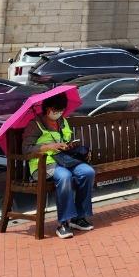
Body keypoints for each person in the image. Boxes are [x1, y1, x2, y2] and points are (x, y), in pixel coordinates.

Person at [22, 92, 95, 239]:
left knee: (88, 172)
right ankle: (63, 223)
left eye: (61, 110)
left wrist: (68, 146)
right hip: (43, 165)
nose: (58, 113)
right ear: (47, 108)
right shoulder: (34, 125)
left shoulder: (63, 121)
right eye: (55, 110)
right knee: (65, 177)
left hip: (65, 160)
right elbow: (26, 149)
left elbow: (66, 139)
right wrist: (49, 146)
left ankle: (78, 218)